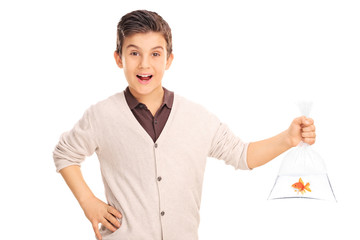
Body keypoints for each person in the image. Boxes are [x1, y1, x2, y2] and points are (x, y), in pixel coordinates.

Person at [53, 9, 316, 240]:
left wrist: (288, 139)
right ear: (119, 58)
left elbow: (242, 155)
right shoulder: (102, 116)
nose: (145, 64)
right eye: (134, 53)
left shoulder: (197, 117)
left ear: (168, 59)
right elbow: (65, 153)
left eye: (155, 54)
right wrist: (88, 202)